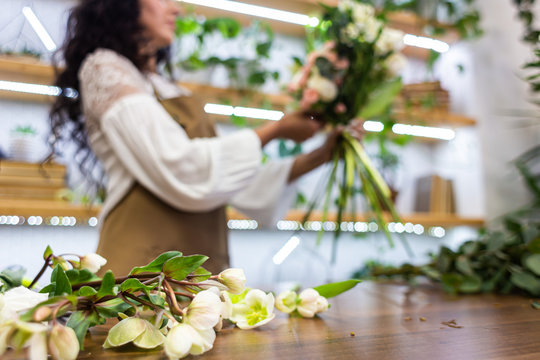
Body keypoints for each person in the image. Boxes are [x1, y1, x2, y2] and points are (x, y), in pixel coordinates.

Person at [49, 0, 341, 275]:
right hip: (142, 267)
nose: (176, 9)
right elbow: (181, 164)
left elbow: (230, 183)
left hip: (201, 265)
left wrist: (322, 154)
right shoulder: (105, 68)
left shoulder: (163, 85)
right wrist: (275, 130)